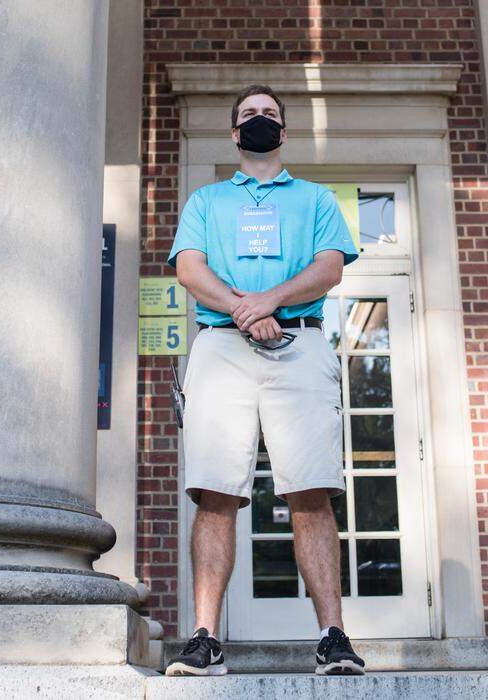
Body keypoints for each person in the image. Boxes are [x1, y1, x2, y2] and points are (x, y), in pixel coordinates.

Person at [163, 84, 365, 677]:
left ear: (283, 131)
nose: (258, 122)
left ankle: (332, 636)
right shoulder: (206, 200)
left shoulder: (316, 198)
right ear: (234, 133)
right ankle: (205, 638)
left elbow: (328, 266)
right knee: (216, 490)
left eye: (269, 115)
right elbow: (189, 268)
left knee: (310, 490)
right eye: (248, 115)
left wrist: (267, 302)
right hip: (222, 348)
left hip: (297, 346)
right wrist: (244, 310)